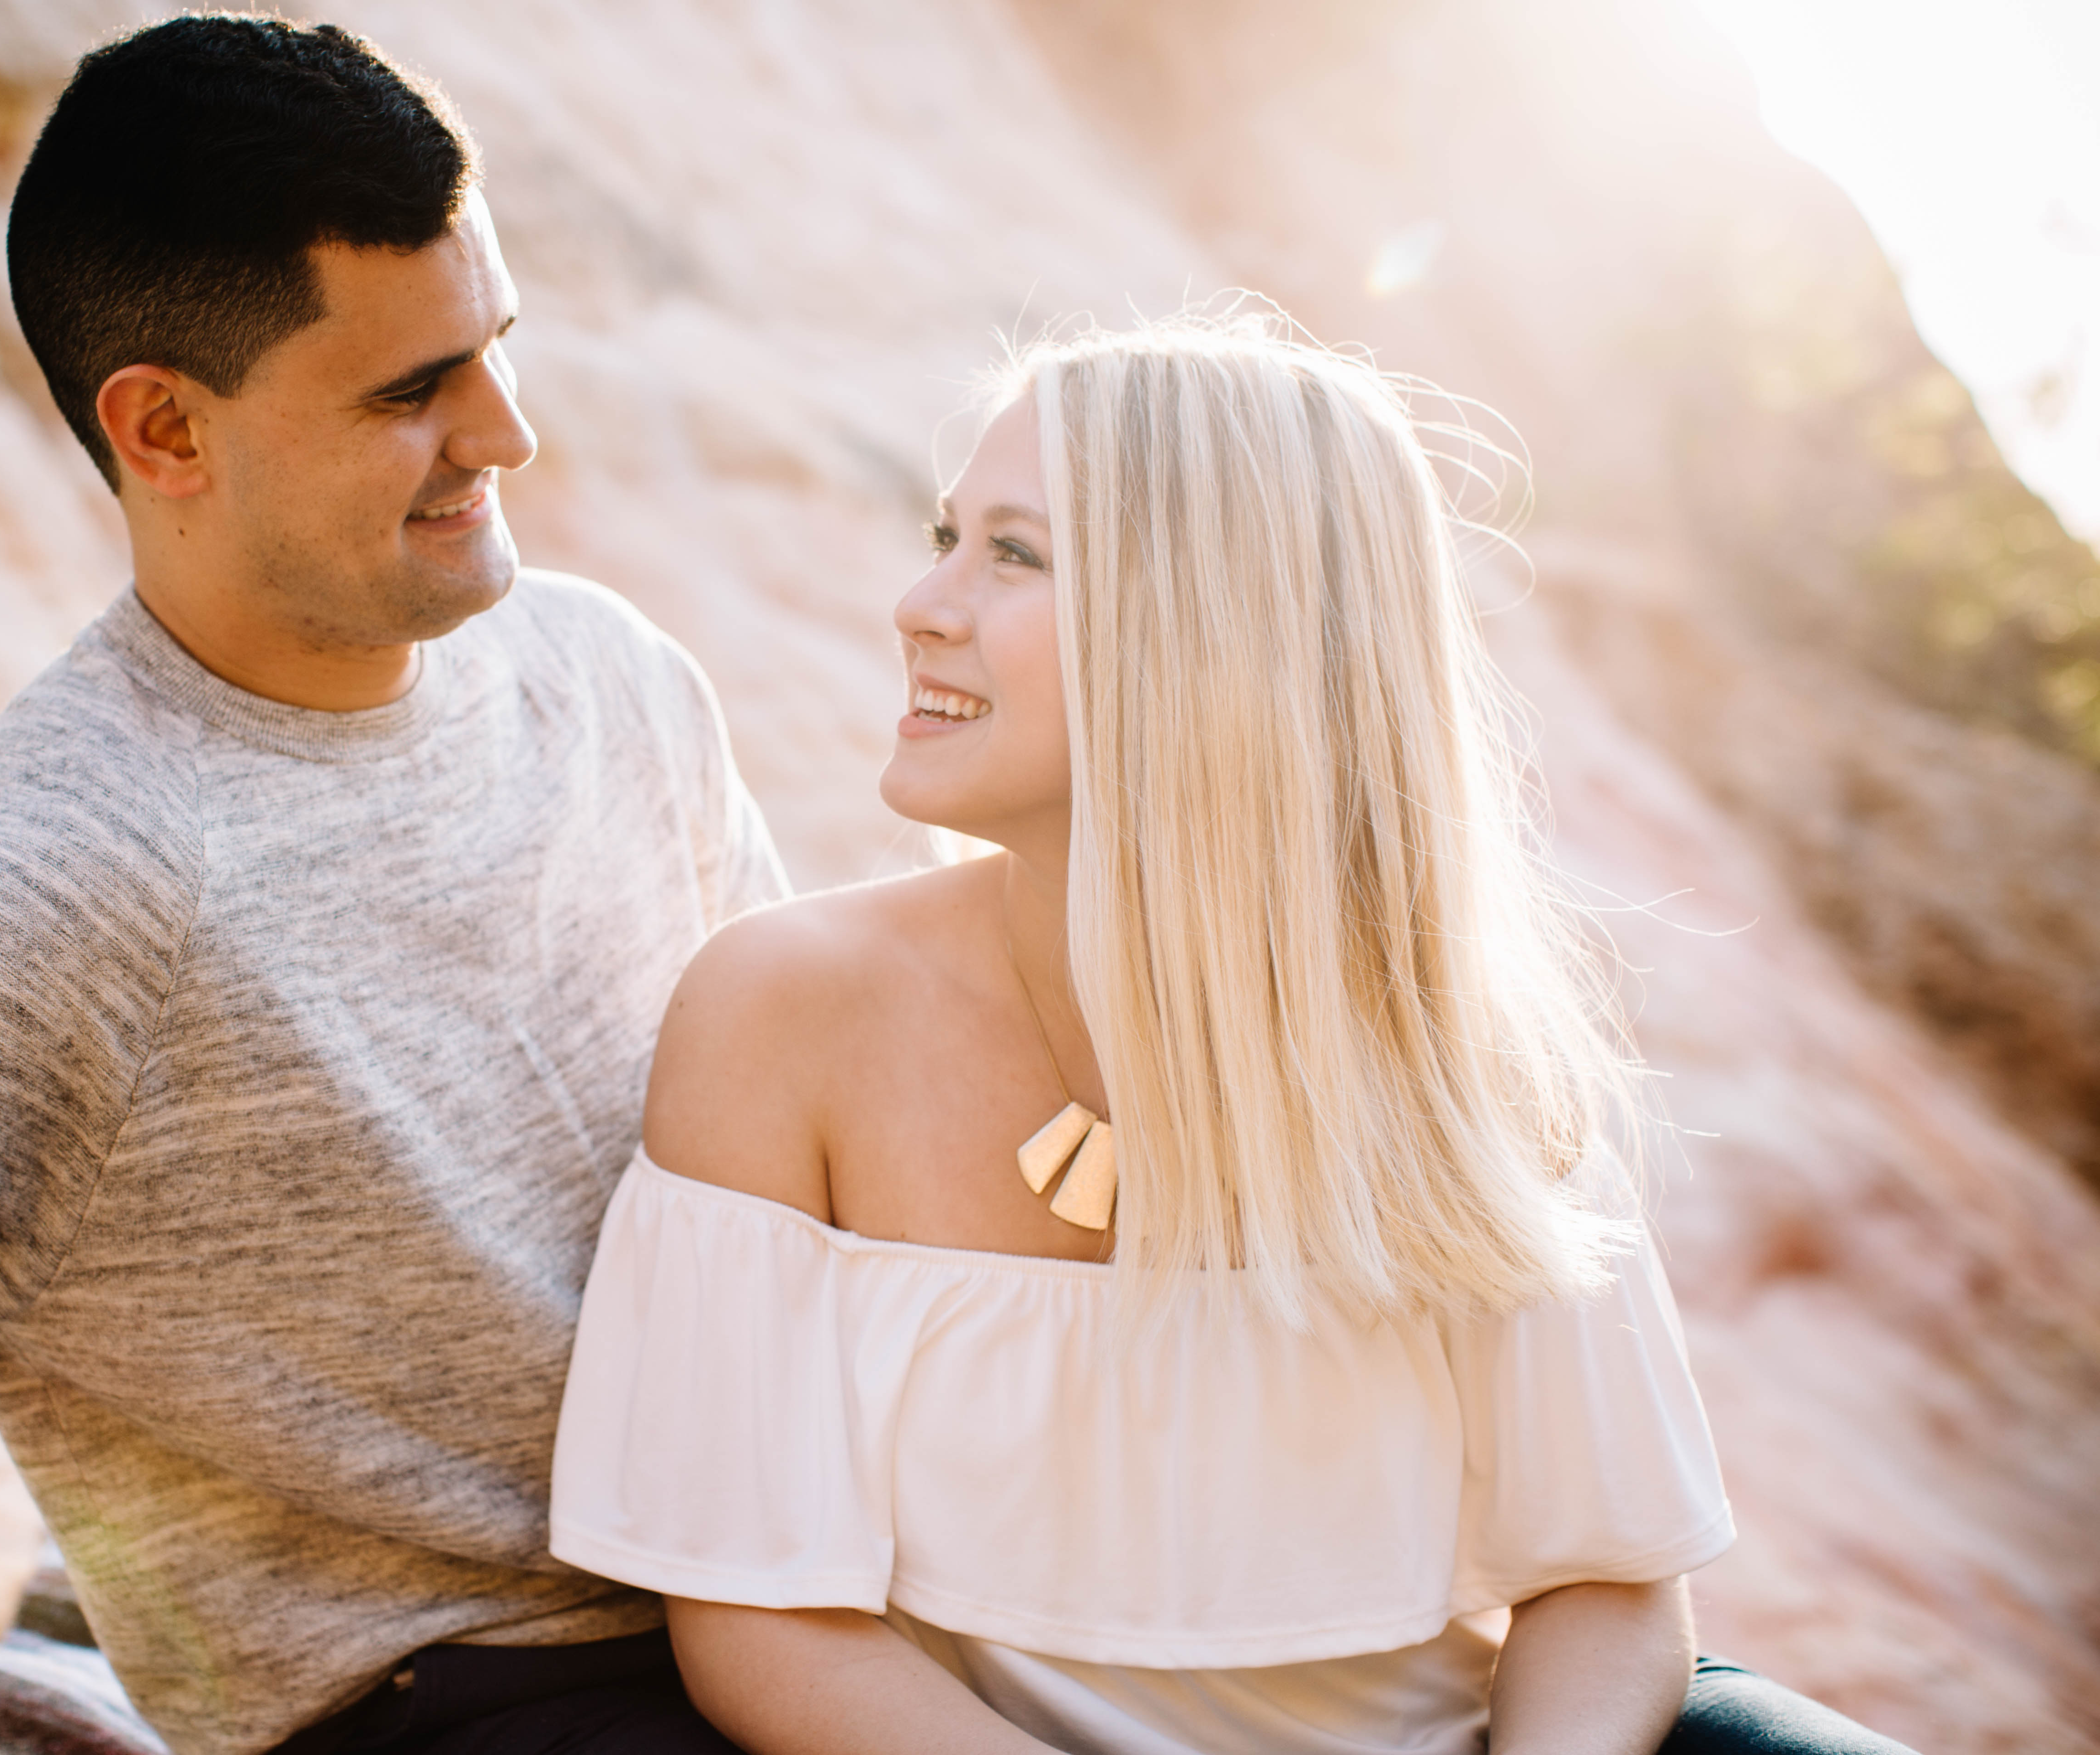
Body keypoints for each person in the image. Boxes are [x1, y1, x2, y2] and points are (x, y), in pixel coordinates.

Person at [0, 18, 778, 1755]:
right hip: (488, 1683)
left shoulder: (618, 679)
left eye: (492, 348)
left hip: (805, 1580)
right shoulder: (38, 904)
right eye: (412, 393)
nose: (508, 433)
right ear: (164, 430)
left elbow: (797, 1172)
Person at [547, 317, 1919, 1755]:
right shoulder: (783, 1012)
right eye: (946, 536)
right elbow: (765, 1624)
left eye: (1012, 554)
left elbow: (1607, 1582)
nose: (919, 602)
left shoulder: (1470, 1049)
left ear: (1206, 628)